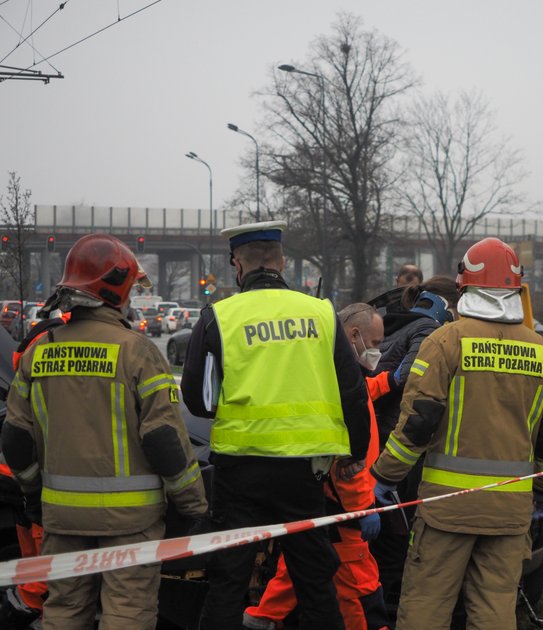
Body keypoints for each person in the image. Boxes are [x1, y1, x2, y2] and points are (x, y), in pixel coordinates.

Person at [0, 234, 207, 630]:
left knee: (62, 611)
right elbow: (164, 440)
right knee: (127, 614)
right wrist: (194, 505)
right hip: (130, 522)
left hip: (61, 518)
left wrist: (33, 495)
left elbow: (15, 438)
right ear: (114, 290)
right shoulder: (137, 351)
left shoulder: (38, 351)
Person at [179, 220, 371, 630]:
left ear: (237, 265)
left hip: (239, 470)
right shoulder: (321, 313)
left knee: (228, 581)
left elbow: (196, 398)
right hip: (304, 472)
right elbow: (352, 390)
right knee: (315, 581)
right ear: (282, 261)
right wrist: (355, 453)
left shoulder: (219, 316)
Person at [371, 237, 543, 630]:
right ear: (516, 288)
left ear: (464, 287)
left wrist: (384, 476)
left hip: (448, 508)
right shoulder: (541, 351)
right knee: (495, 608)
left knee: (426, 604)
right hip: (511, 512)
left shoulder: (445, 342)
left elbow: (417, 423)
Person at [242, 303, 390, 630]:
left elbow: (367, 393)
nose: (378, 349)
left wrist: (392, 380)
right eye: (376, 342)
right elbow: (345, 461)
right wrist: (364, 508)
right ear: (354, 335)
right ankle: (260, 619)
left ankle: (260, 619)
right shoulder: (342, 383)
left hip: (317, 500)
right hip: (344, 508)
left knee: (299, 568)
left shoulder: (328, 372)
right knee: (362, 595)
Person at [368, 275, 460, 616]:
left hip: (371, 442)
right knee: (396, 537)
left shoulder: (388, 322)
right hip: (400, 446)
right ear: (448, 308)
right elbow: (412, 379)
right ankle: (389, 608)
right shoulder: (428, 331)